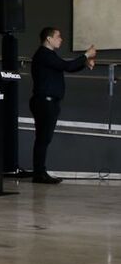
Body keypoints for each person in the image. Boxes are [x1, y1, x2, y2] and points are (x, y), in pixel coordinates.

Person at [30, 28, 96, 184]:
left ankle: (40, 172)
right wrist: (86, 55)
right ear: (48, 38)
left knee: (44, 139)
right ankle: (39, 173)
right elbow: (66, 66)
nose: (61, 39)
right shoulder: (43, 55)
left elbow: (67, 66)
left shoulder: (49, 56)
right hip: (44, 102)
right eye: (58, 36)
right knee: (43, 139)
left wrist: (84, 63)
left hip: (49, 102)